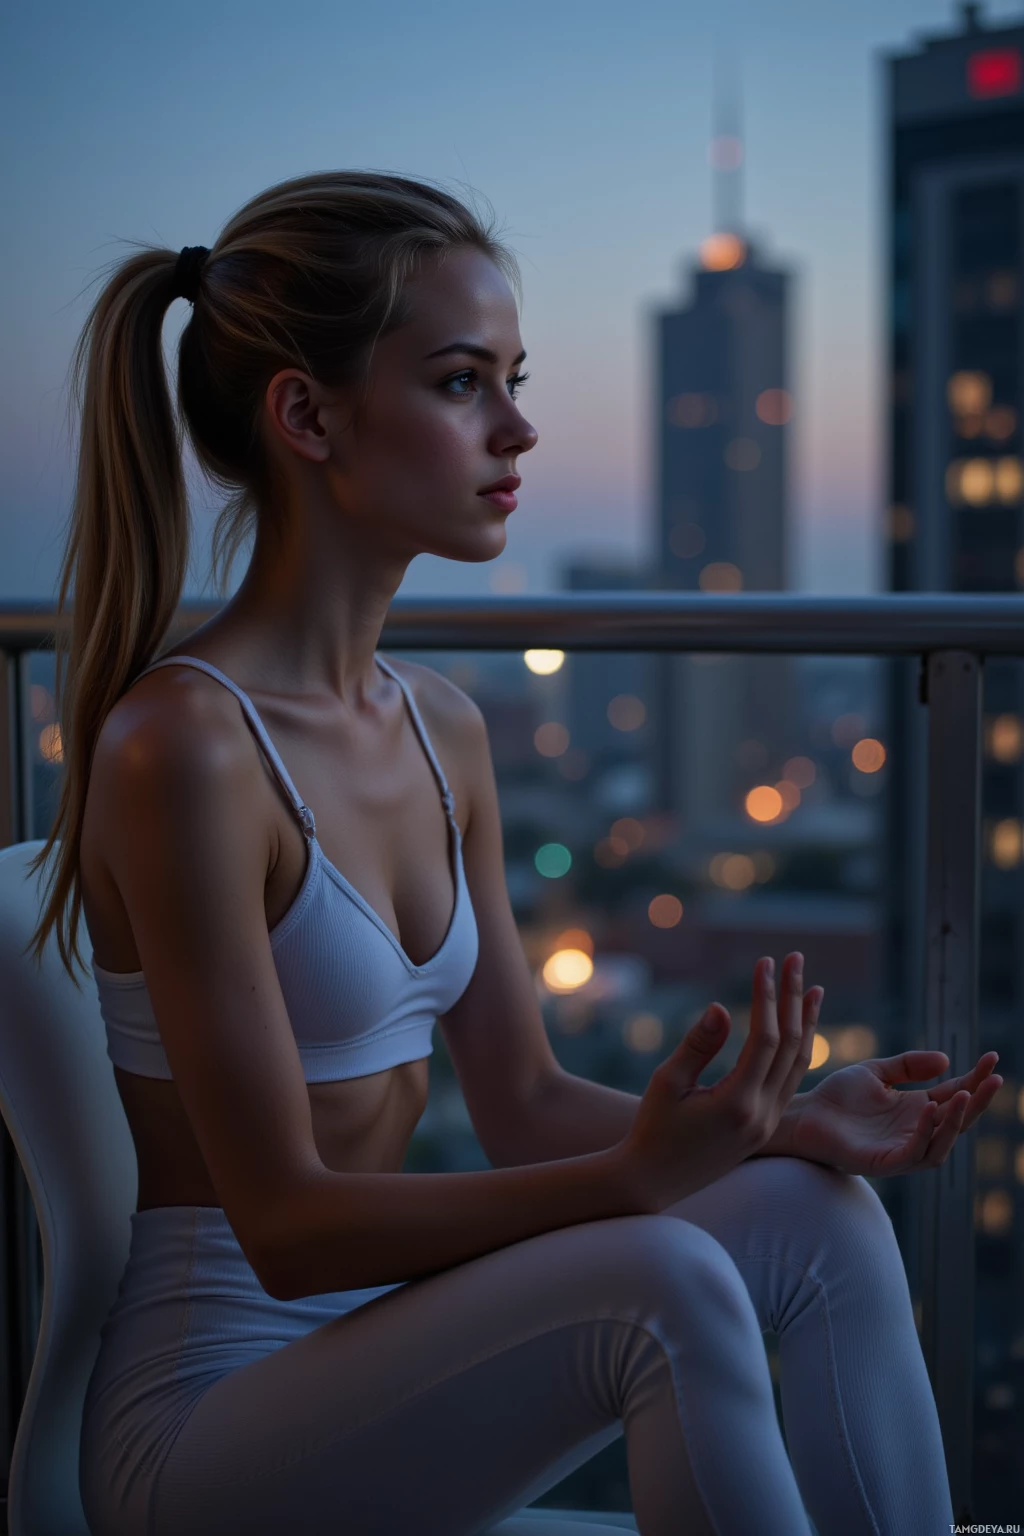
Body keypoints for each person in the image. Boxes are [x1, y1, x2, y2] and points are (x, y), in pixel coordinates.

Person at [24, 170, 999, 1536]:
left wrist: (779, 1128)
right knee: (665, 1287)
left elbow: (527, 1098)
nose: (520, 429)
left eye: (513, 379)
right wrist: (636, 1181)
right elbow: (289, 1230)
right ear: (308, 415)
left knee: (818, 1216)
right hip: (211, 1416)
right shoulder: (182, 748)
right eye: (463, 382)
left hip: (403, 1341)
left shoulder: (443, 727)